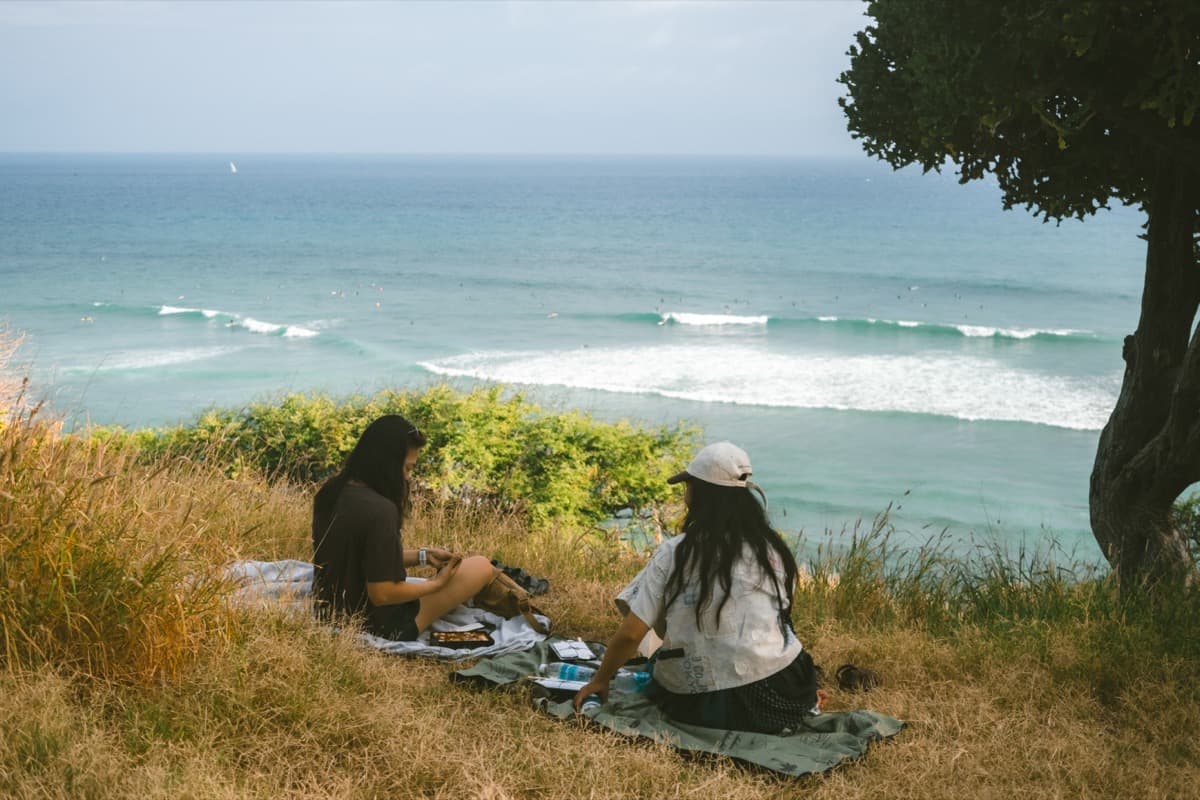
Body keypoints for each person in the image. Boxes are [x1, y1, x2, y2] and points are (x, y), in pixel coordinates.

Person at [573, 441, 819, 733]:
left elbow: (630, 634)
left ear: (698, 494)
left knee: (648, 605)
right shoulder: (772, 548)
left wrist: (601, 679)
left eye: (687, 485)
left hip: (701, 705)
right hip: (777, 696)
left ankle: (662, 650)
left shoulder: (676, 552)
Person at [311, 414, 495, 640]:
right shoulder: (380, 510)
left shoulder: (330, 491)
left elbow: (360, 557)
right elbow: (382, 594)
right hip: (379, 625)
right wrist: (435, 584)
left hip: (328, 611)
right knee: (481, 566)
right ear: (386, 465)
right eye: (407, 469)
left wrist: (423, 556)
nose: (408, 478)